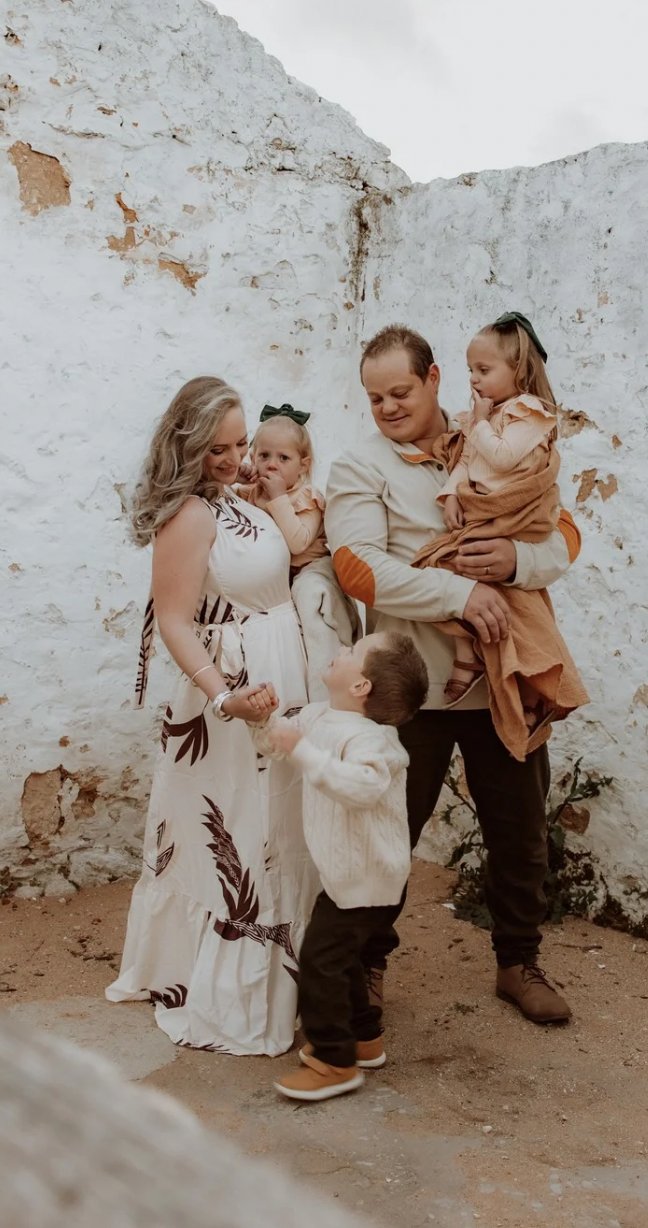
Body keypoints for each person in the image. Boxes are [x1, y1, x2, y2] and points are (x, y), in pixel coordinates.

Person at [324, 324, 582, 1028]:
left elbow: (562, 534)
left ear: (435, 377)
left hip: (505, 677)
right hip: (413, 689)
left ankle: (518, 963)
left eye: (400, 391)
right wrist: (459, 595)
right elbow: (357, 566)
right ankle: (368, 966)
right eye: (375, 398)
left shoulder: (498, 437)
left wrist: (514, 564)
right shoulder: (358, 468)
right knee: (387, 835)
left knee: (521, 830)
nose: (388, 408)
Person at [106, 376, 319, 1056]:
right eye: (220, 450)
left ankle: (298, 979)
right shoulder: (189, 516)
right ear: (189, 446)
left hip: (278, 676)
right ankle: (230, 991)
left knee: (280, 828)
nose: (237, 459)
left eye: (241, 444)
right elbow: (174, 621)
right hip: (232, 696)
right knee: (245, 835)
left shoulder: (230, 498)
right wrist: (224, 695)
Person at [266, 632, 430, 1103]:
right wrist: (266, 721)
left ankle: (334, 1062)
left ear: (360, 686)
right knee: (344, 961)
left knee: (321, 961)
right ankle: (364, 1039)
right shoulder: (321, 715)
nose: (341, 648)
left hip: (373, 877)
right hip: (346, 874)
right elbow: (287, 739)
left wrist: (300, 749)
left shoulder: (376, 742)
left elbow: (359, 788)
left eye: (353, 651)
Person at [421, 313, 587, 757]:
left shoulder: (530, 414)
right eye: (470, 370)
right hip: (480, 508)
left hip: (516, 510)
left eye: (483, 370)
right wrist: (452, 493)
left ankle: (533, 689)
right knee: (447, 569)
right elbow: (468, 463)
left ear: (518, 370)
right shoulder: (488, 415)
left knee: (516, 605)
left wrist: (477, 421)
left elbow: (501, 457)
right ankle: (470, 654)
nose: (473, 380)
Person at [236, 404, 358, 691]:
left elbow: (298, 542)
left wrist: (278, 499)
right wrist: (235, 480)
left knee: (311, 599)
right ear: (253, 457)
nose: (272, 464)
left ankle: (324, 682)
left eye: (284, 458)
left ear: (303, 464)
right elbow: (227, 509)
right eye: (264, 456)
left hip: (311, 568)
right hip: (279, 577)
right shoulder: (251, 494)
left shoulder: (306, 497)